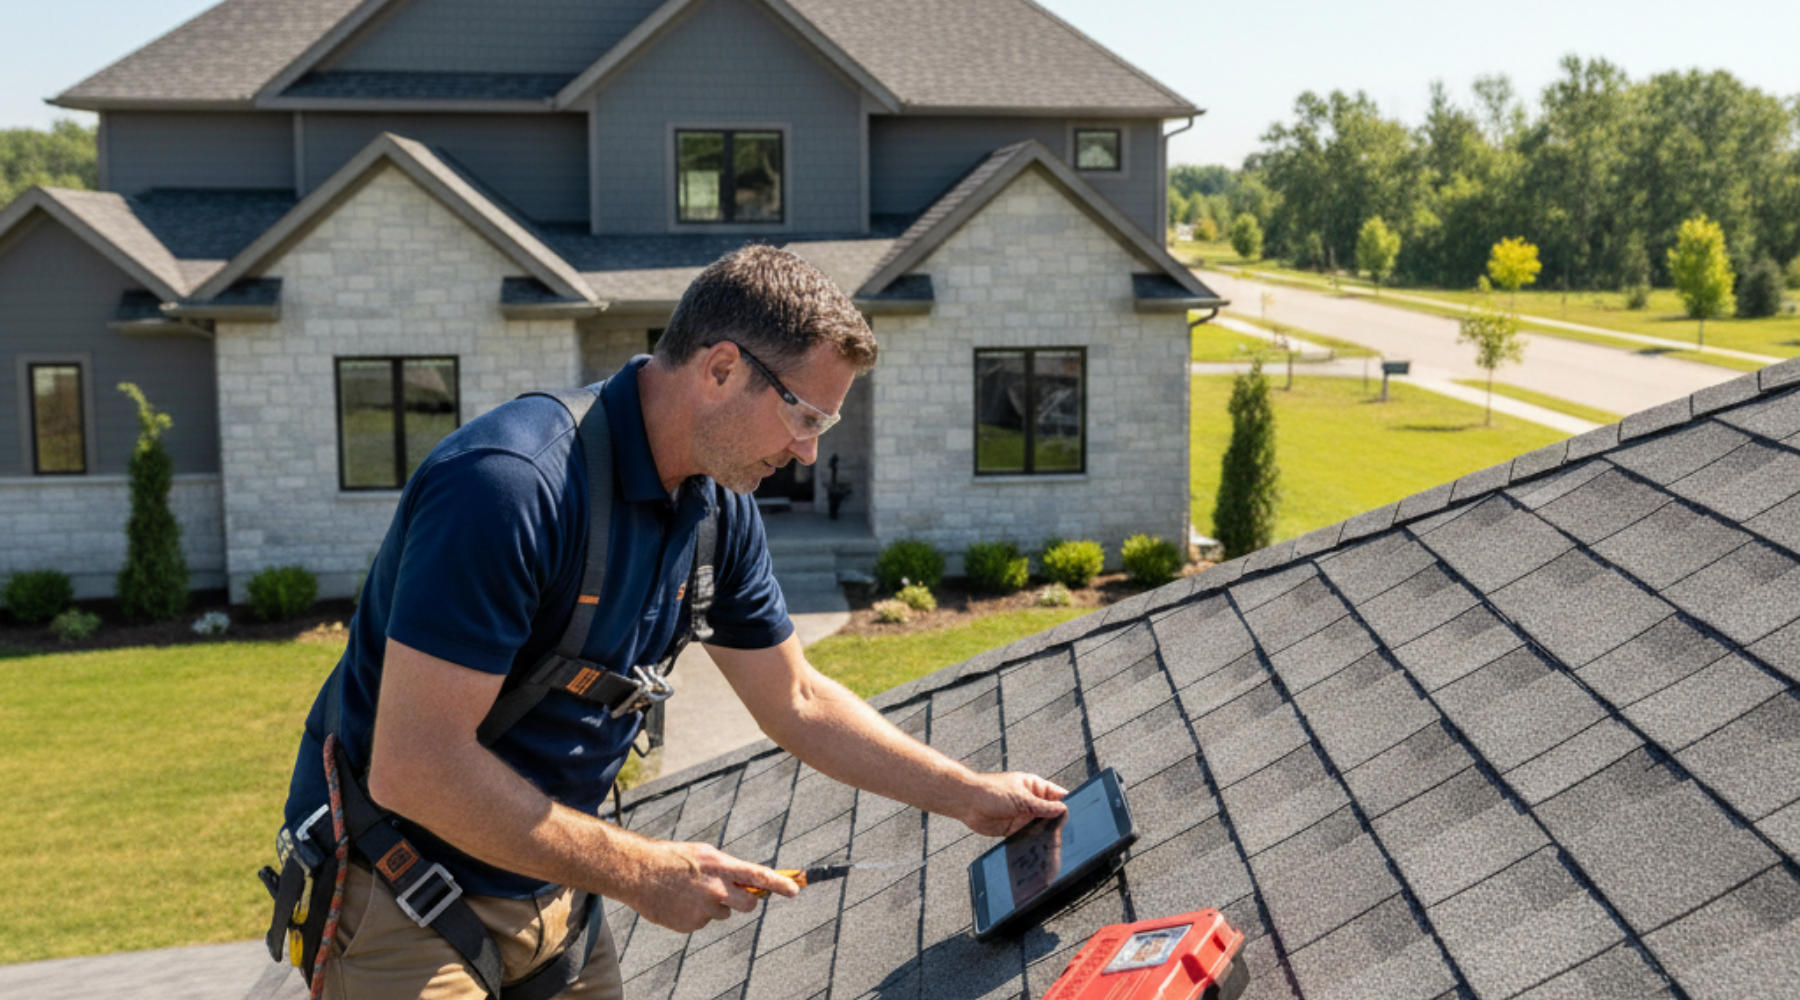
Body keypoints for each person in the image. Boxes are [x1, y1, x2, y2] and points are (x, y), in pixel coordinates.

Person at [276, 246, 1068, 999]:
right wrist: (644, 872)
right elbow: (414, 766)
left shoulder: (717, 510)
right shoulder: (511, 489)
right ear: (722, 370)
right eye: (805, 418)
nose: (805, 452)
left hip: (557, 882)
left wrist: (969, 794)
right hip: (403, 886)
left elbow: (796, 699)